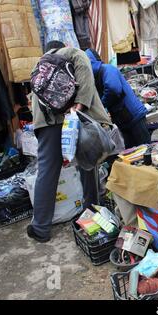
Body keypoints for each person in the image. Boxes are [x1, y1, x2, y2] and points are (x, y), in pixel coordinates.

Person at [27, 41, 112, 243]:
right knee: (87, 164)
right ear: (61, 47)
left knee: (47, 170)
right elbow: (85, 70)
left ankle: (40, 227)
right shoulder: (72, 52)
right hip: (75, 116)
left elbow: (35, 103)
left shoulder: (38, 67)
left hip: (47, 123)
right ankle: (91, 212)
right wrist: (79, 105)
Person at [85, 49, 151, 148]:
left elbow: (114, 89)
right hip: (122, 119)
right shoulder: (95, 76)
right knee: (131, 152)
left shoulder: (107, 69)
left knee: (144, 149)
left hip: (133, 116)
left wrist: (102, 106)